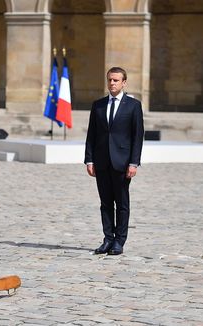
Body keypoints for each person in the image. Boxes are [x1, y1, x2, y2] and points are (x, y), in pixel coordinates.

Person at [85, 67, 144, 256]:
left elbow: (137, 136)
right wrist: (89, 159)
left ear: (124, 82)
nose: (112, 83)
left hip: (122, 162)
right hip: (101, 162)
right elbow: (91, 134)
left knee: (122, 203)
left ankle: (119, 240)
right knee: (105, 203)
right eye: (110, 80)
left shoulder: (133, 106)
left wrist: (134, 163)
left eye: (116, 80)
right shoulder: (98, 105)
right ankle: (108, 239)